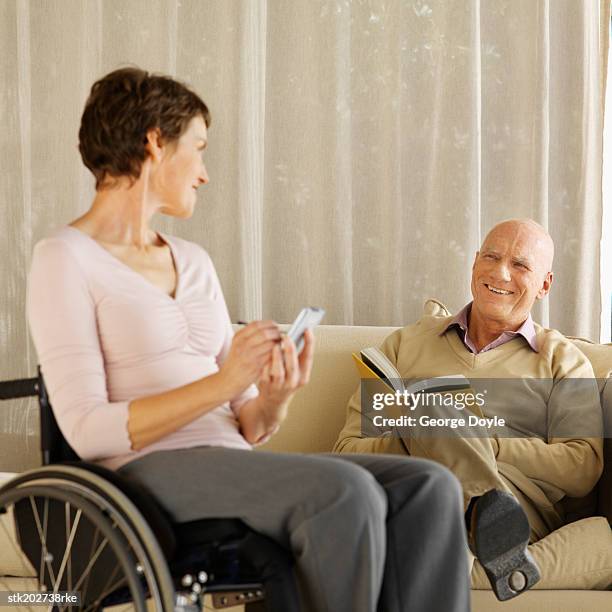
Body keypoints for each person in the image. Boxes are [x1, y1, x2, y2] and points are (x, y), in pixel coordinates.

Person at [26, 66, 471, 612]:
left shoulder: (193, 260)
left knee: (428, 487)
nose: (205, 173)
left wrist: (275, 395)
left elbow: (247, 424)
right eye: (199, 148)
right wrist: (224, 381)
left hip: (230, 461)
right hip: (142, 476)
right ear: (154, 143)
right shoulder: (64, 259)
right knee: (342, 493)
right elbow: (89, 431)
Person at [334, 218, 612, 596]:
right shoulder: (405, 345)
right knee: (434, 412)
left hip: (521, 514)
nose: (500, 272)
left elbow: (581, 467)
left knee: (605, 539)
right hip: (416, 497)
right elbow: (347, 452)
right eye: (491, 257)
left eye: (520, 265)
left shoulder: (562, 360)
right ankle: (502, 557)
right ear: (474, 265)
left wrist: (487, 443)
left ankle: (473, 543)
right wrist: (423, 437)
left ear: (544, 284)